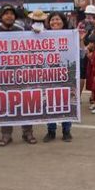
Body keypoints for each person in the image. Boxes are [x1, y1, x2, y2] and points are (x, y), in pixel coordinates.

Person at [0, 4, 36, 146]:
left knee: (25, 103)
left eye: (11, 13)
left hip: (21, 73)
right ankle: (6, 135)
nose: (9, 16)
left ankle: (28, 133)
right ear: (0, 17)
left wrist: (37, 33)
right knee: (6, 104)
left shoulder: (22, 31)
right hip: (3, 75)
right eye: (6, 13)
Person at [42, 11, 73, 142]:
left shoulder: (71, 35)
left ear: (63, 21)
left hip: (66, 74)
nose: (55, 22)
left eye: (58, 19)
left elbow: (79, 54)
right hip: (50, 75)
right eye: (52, 20)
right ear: (48, 23)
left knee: (66, 103)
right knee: (50, 103)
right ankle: (51, 131)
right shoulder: (43, 36)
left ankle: (66, 131)